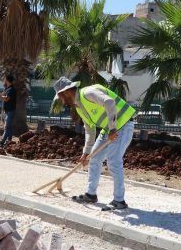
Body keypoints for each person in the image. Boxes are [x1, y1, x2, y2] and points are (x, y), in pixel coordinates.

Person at [53, 77, 136, 209]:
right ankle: (91, 195)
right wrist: (86, 152)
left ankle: (119, 201)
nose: (62, 101)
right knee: (94, 158)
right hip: (109, 129)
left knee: (114, 161)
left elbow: (109, 102)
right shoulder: (79, 106)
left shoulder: (88, 93)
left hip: (123, 125)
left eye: (60, 97)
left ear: (66, 92)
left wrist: (113, 127)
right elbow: (90, 130)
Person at [0, 74, 16, 147]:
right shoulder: (7, 89)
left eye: (4, 79)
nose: (3, 80)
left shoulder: (12, 89)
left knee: (6, 127)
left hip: (10, 111)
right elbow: (4, 98)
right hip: (7, 111)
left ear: (7, 80)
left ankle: (1, 143)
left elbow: (6, 99)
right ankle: (9, 142)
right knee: (9, 127)